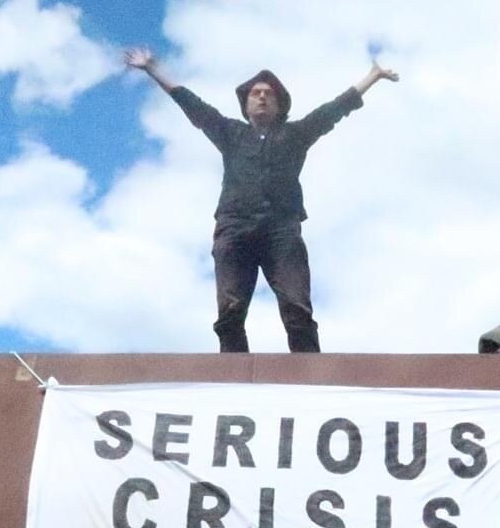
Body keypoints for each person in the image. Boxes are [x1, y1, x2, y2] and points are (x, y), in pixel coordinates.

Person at [125, 47, 398, 352]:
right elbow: (193, 106)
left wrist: (372, 77)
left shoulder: (295, 134)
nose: (262, 97)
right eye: (256, 93)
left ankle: (310, 380)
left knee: (298, 310)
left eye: (269, 93)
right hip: (234, 229)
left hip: (281, 231)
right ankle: (234, 379)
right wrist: (152, 68)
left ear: (280, 106)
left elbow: (334, 109)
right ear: (246, 104)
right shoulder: (231, 133)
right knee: (229, 313)